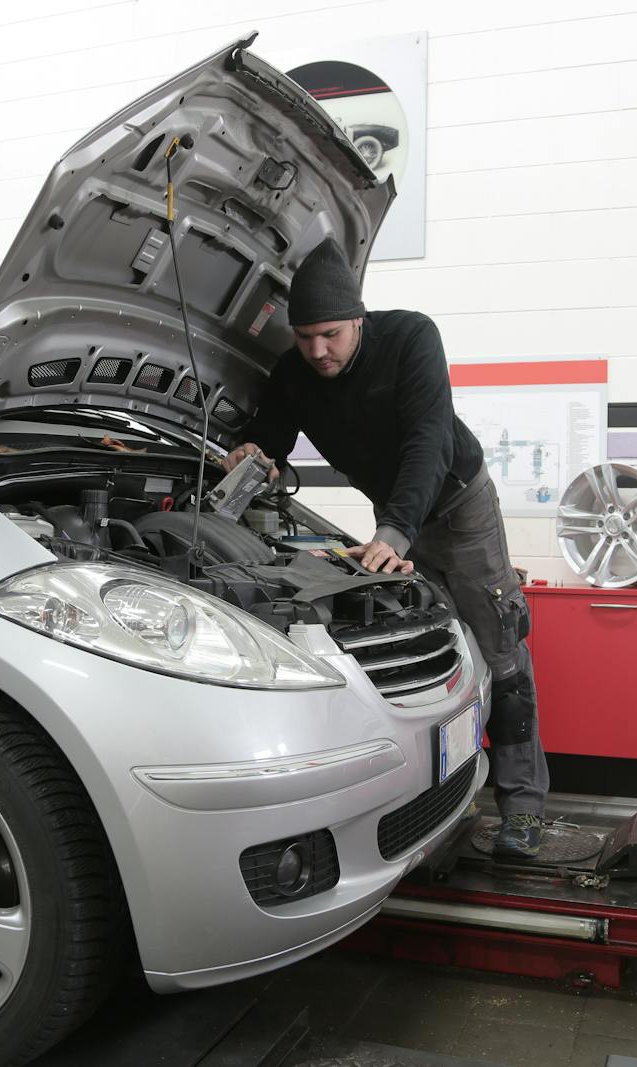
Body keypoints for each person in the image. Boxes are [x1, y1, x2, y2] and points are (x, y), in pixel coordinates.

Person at [223, 239, 550, 858]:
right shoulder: (295, 372)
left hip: (456, 506)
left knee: (501, 648)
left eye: (331, 335)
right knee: (426, 647)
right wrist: (253, 453)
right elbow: (271, 437)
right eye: (305, 337)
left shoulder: (410, 340)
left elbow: (429, 441)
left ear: (359, 320)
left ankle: (524, 808)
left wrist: (396, 532)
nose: (317, 351)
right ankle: (441, 797)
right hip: (394, 518)